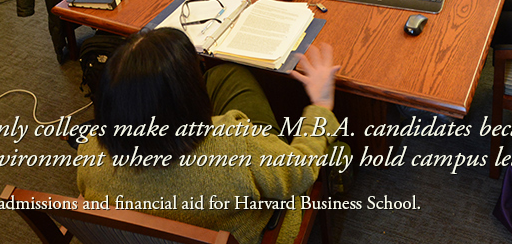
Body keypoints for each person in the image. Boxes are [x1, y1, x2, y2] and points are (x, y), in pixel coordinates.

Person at [77, 29, 342, 244]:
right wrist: (320, 105)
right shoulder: (237, 147)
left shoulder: (89, 151)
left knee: (225, 75)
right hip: (260, 230)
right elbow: (300, 169)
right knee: (335, 150)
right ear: (189, 98)